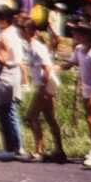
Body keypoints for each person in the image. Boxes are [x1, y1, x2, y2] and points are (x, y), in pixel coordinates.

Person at [61, 22, 91, 167]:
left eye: (77, 33)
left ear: (86, 36)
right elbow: (70, 64)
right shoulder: (79, 49)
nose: (73, 36)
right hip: (86, 88)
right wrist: (54, 68)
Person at [20, 17, 64, 162]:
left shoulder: (37, 47)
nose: (19, 32)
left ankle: (40, 150)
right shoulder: (30, 45)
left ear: (27, 31)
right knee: (50, 118)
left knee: (31, 117)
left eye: (21, 29)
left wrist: (43, 87)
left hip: (46, 83)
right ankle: (59, 150)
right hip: (45, 83)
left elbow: (47, 67)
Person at [0, 5, 25, 160]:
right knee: (11, 111)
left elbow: (3, 60)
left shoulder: (4, 35)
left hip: (5, 75)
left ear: (3, 20)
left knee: (4, 112)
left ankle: (10, 148)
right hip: (15, 72)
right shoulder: (14, 32)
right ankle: (18, 146)